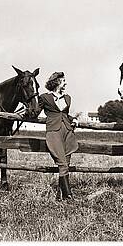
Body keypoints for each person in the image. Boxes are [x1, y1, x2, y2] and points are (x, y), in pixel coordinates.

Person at [37, 72, 79, 200]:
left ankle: (60, 196)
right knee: (63, 163)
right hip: (54, 132)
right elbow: (34, 111)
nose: (65, 83)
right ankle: (68, 195)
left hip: (67, 131)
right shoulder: (44, 98)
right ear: (56, 82)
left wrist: (75, 119)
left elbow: (65, 114)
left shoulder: (68, 98)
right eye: (63, 80)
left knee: (66, 162)